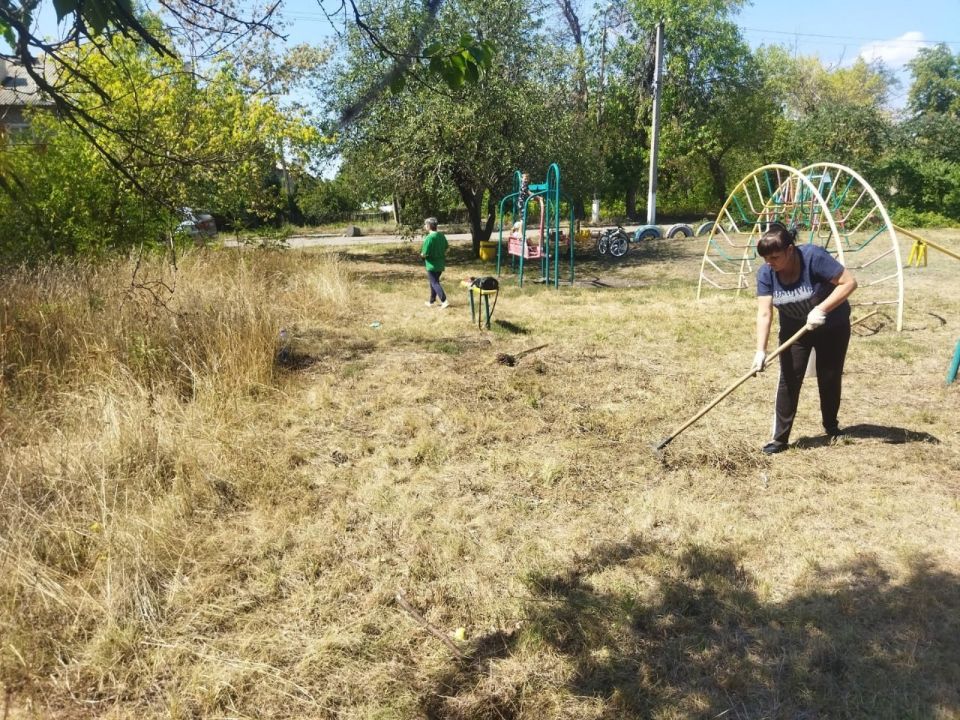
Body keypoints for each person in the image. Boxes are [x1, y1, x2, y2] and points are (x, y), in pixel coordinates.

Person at [752, 223, 858, 455]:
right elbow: (764, 312)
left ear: (790, 250)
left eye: (775, 257)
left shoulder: (813, 257)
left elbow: (849, 282)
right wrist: (760, 350)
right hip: (794, 331)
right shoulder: (766, 273)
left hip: (832, 326)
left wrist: (821, 309)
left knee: (828, 376)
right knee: (789, 379)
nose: (770, 263)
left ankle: (831, 426)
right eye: (765, 258)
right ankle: (779, 439)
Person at [420, 217, 449, 308]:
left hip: (431, 265)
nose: (425, 226)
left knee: (435, 283)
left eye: (425, 225)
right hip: (440, 264)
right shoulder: (441, 235)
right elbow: (447, 248)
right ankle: (431, 301)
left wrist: (422, 256)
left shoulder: (429, 238)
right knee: (433, 282)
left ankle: (444, 301)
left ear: (429, 226)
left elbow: (424, 254)